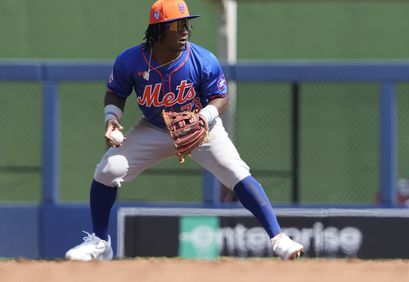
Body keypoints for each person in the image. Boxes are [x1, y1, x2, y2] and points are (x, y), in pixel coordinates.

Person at [65, 0, 303, 261]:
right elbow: (116, 92)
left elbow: (220, 97)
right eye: (177, 25)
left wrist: (203, 117)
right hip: (154, 128)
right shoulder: (130, 60)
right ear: (158, 30)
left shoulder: (202, 59)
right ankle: (100, 243)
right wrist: (112, 119)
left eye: (187, 23)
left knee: (236, 171)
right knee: (107, 170)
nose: (185, 30)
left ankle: (279, 239)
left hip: (201, 128)